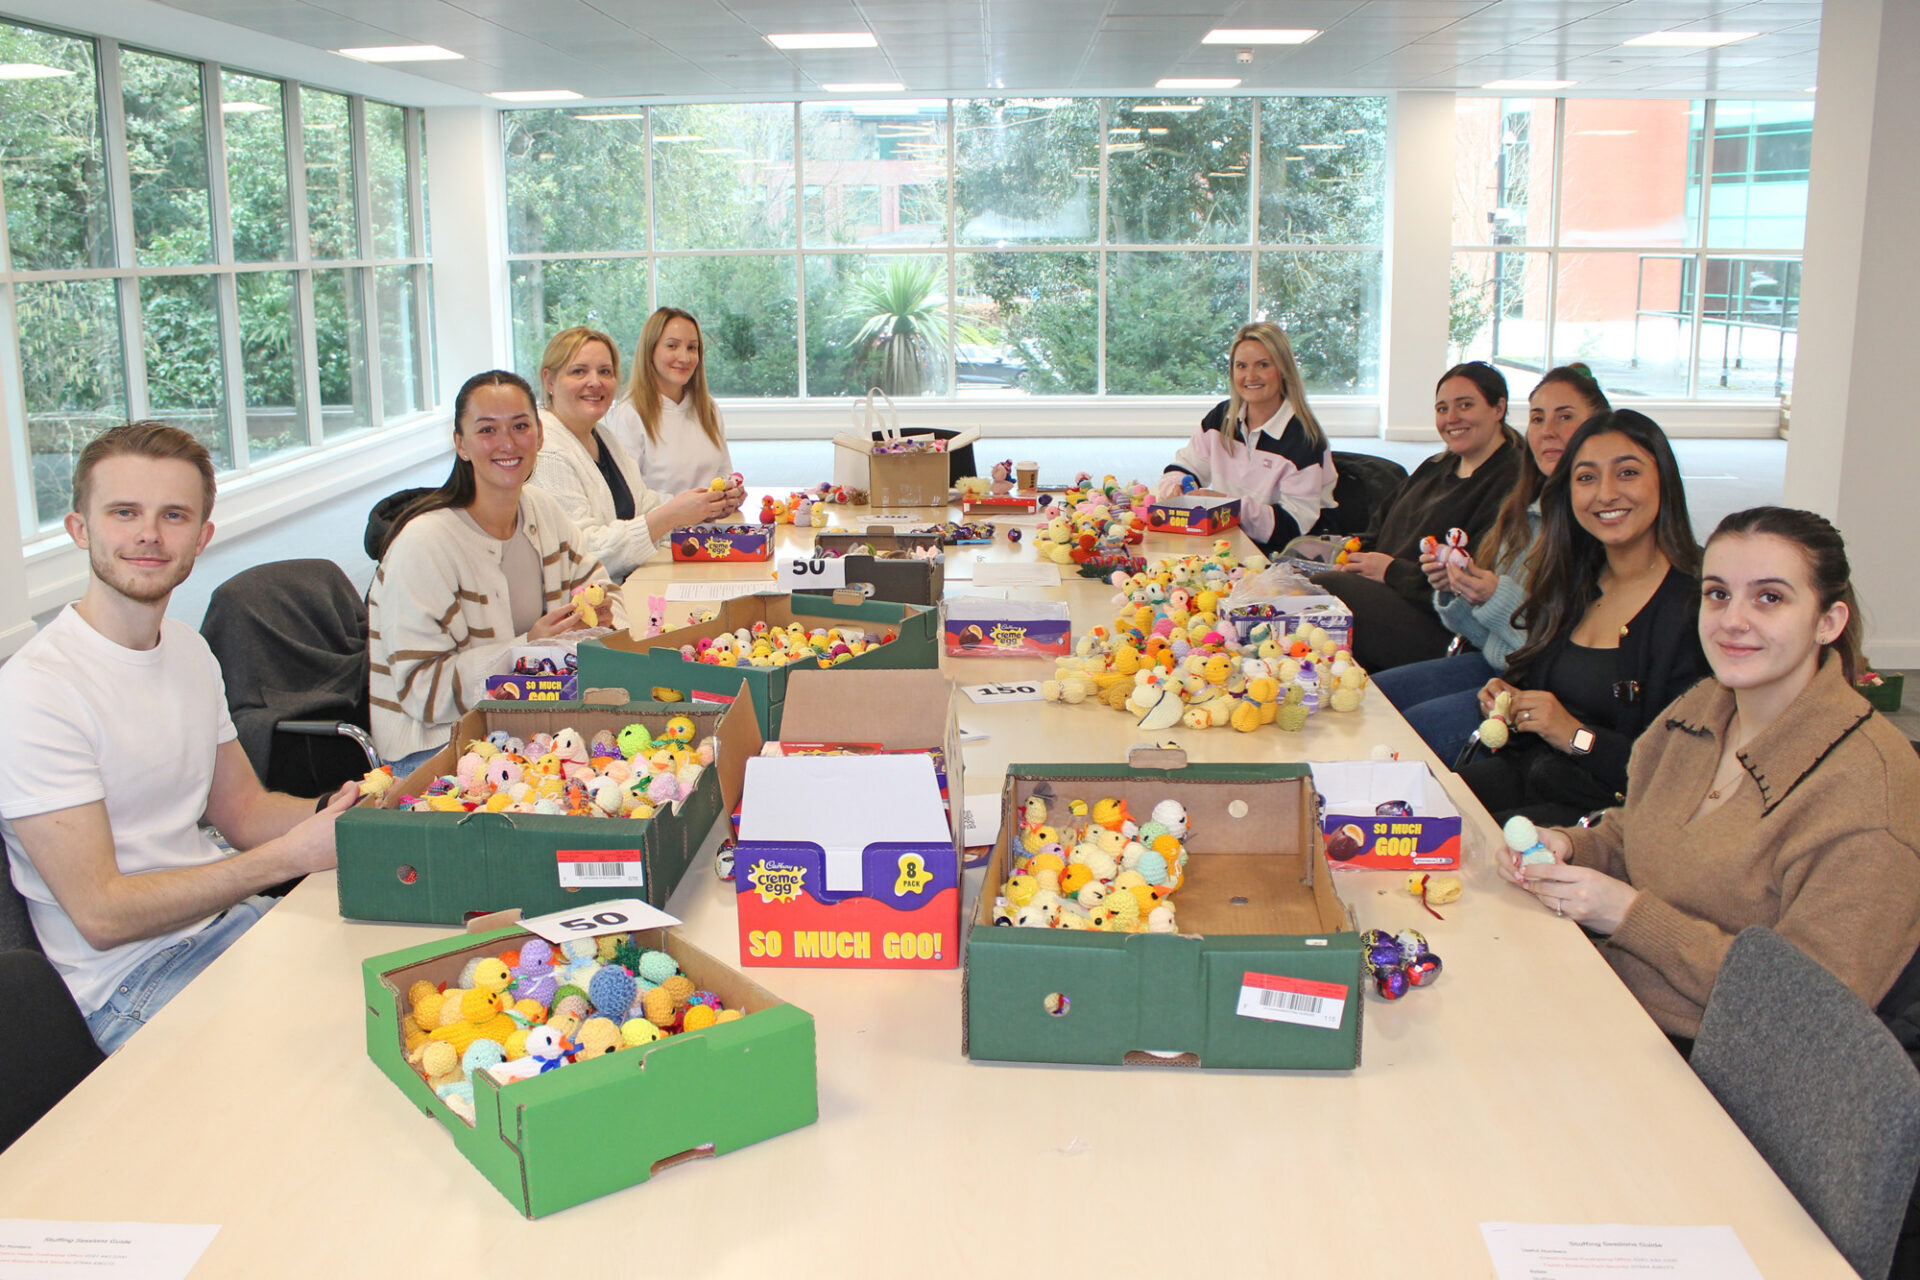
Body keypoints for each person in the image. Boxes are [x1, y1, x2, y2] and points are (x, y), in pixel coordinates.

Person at [1500, 506, 1920, 1053]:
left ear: (1829, 622)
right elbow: (1646, 833)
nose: (1732, 620)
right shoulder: (1703, 709)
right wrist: (1570, 847)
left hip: (1721, 1071)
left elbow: (1813, 1005)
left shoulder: (1867, 795)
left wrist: (1629, 915)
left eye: (1769, 597)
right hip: (1611, 1001)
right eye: (1718, 594)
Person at [0, 422, 357, 1053]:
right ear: (79, 529)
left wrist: (348, 815)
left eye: (173, 515)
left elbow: (244, 812)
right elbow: (103, 914)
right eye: (123, 512)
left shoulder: (189, 648)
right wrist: (289, 858)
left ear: (202, 536)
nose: (148, 534)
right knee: (334, 1060)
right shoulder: (37, 692)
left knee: (405, 994)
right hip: (131, 983)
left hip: (233, 924)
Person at [1459, 409, 1709, 826]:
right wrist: (1509, 698)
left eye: (1627, 473)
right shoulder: (1573, 580)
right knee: (1415, 812)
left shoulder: (1694, 608)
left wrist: (1574, 735)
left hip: (1606, 818)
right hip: (1533, 774)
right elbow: (1545, 688)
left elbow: (1679, 774)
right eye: (1587, 478)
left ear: (1664, 481)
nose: (1606, 494)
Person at [369, 370, 623, 771]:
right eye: (487, 429)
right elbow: (422, 692)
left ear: (540, 436)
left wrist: (602, 619)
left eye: (520, 426)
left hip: (532, 728)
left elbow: (604, 589)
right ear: (461, 444)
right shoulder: (424, 544)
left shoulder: (541, 509)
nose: (507, 443)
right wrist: (525, 651)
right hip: (438, 749)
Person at [1371, 365, 1610, 763]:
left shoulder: (1596, 525)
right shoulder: (1526, 509)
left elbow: (1560, 654)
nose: (1548, 430)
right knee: (1373, 699)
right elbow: (1491, 640)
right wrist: (1461, 591)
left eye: (1564, 417)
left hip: (1547, 692)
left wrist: (1496, 596)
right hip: (1500, 664)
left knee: (1411, 732)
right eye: (1537, 418)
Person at [1309, 362, 1524, 671]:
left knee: (1325, 591)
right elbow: (1380, 526)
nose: (1452, 418)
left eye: (1466, 405)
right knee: (1301, 584)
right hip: (1386, 595)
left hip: (1443, 624)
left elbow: (1471, 580)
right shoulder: (1435, 468)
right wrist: (1353, 553)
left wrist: (1392, 571)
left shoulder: (1511, 483)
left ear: (1498, 408)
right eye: (1442, 408)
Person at [528, 325, 740, 582]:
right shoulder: (546, 450)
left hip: (629, 583)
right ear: (549, 380)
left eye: (605, 371)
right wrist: (671, 515)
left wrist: (704, 507)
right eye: (579, 371)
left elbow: (644, 504)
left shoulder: (604, 439)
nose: (595, 382)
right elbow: (583, 551)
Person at [1157, 322, 1337, 554]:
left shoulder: (1304, 439)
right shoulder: (1222, 418)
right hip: (1232, 539)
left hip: (1288, 554)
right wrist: (1176, 486)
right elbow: (1184, 466)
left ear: (1283, 370)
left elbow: (1292, 528)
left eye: (1263, 365)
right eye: (1241, 366)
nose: (1250, 376)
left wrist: (1226, 506)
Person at [603, 307, 735, 499]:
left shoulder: (708, 408)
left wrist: (729, 493)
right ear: (650, 351)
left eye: (692, 348)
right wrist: (688, 507)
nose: (684, 357)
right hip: (661, 528)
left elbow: (724, 472)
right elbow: (628, 495)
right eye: (672, 346)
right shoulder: (629, 414)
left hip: (709, 527)